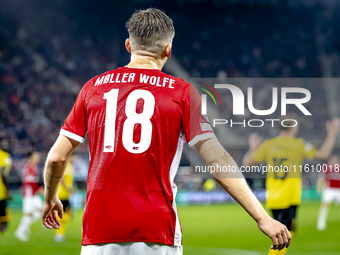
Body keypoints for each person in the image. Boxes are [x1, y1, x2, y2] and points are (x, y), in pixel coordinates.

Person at [42, 8, 290, 255]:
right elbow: (217, 160)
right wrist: (261, 217)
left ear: (128, 45)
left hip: (99, 232)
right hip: (158, 231)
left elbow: (56, 157)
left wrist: (51, 197)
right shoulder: (182, 93)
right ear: (168, 50)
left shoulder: (92, 88)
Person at [243, 117, 340, 255]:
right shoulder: (298, 144)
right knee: (283, 236)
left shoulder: (269, 144)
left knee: (283, 234)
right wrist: (332, 134)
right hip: (290, 198)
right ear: (293, 127)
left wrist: (253, 148)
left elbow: (246, 163)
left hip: (273, 198)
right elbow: (323, 154)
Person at [15, 151, 43, 241]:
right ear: (31, 158)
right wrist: (39, 189)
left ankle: (25, 226)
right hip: (29, 195)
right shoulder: (28, 168)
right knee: (31, 214)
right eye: (36, 156)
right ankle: (19, 232)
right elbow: (28, 182)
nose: (38, 157)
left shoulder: (34, 168)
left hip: (33, 194)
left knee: (39, 212)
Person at [316, 154, 340, 231]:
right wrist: (319, 187)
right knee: (325, 205)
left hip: (339, 190)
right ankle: (321, 222)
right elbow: (321, 178)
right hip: (329, 189)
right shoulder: (327, 168)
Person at [55, 154, 74, 242]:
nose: (73, 159)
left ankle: (60, 233)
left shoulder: (70, 166)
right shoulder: (66, 166)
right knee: (64, 215)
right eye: (73, 157)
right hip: (62, 194)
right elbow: (62, 179)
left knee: (67, 215)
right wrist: (68, 189)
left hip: (66, 195)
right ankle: (59, 234)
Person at [0, 139, 12, 237]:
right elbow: (3, 173)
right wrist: (7, 190)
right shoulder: (5, 156)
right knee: (5, 220)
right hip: (1, 193)